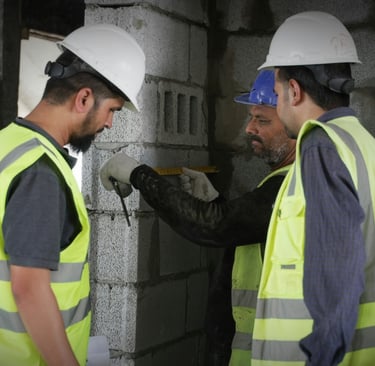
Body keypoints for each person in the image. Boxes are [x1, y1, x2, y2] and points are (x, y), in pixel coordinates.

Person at [99, 70, 296, 365]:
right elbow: (246, 230)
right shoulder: (283, 179)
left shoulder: (291, 184)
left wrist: (139, 175)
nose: (249, 128)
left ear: (295, 125)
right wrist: (215, 202)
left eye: (262, 120)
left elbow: (215, 226)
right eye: (251, 117)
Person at [0, 24, 145, 365]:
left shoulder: (8, 142)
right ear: (83, 98)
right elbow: (29, 288)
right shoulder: (40, 171)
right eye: (112, 110)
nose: (109, 124)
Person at [251, 11, 375, 366]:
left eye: (275, 94)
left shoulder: (321, 147)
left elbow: (339, 272)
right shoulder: (363, 145)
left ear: (294, 90)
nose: (276, 104)